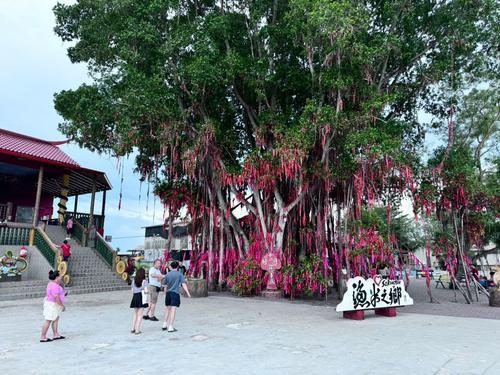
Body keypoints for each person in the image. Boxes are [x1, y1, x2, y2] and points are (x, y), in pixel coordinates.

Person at [162, 261, 191, 332]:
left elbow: (164, 285)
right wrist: (187, 292)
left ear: (171, 267)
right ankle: (170, 326)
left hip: (168, 293)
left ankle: (164, 324)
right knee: (173, 310)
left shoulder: (167, 274)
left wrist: (165, 293)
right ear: (177, 267)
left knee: (167, 309)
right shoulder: (179, 274)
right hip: (175, 293)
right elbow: (183, 284)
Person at [40, 270, 66, 342]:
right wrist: (62, 305)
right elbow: (56, 297)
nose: (61, 277)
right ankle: (43, 336)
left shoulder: (51, 284)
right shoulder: (54, 286)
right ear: (57, 277)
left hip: (52, 304)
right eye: (60, 276)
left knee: (55, 318)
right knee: (48, 320)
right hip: (52, 305)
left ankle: (56, 334)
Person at [130, 268, 148, 335]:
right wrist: (147, 292)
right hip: (141, 297)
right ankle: (137, 330)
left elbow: (132, 290)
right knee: (140, 315)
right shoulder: (144, 281)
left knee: (135, 314)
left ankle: (133, 328)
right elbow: (146, 291)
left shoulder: (133, 281)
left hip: (135, 297)